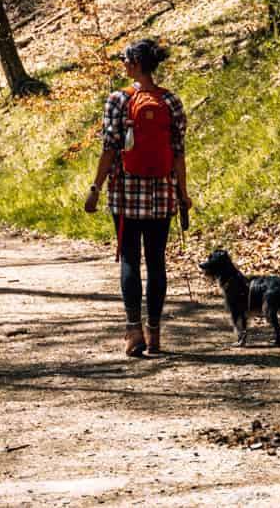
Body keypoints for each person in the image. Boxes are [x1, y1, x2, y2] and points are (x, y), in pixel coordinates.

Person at [84, 38, 190, 357]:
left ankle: (134, 332)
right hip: (162, 194)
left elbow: (109, 148)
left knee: (130, 258)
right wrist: (183, 194)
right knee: (156, 262)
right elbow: (179, 152)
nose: (123, 64)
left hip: (125, 192)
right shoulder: (171, 101)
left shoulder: (118, 99)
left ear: (135, 64)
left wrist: (95, 188)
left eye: (125, 59)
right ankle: (155, 334)